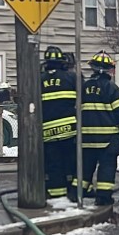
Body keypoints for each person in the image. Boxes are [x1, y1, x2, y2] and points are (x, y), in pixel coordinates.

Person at [78, 52, 119, 206]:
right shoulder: (111, 88)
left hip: (86, 139)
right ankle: (103, 197)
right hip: (108, 139)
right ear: (109, 70)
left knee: (85, 168)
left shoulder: (83, 87)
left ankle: (77, 194)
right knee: (107, 168)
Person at [40, 46, 79, 201]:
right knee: (71, 162)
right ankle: (72, 192)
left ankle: (57, 196)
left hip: (48, 132)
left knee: (53, 165)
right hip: (70, 130)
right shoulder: (71, 78)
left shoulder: (38, 80)